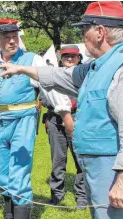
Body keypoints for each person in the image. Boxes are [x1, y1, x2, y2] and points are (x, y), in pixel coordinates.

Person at [0, 2, 123, 219]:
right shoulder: (98, 66)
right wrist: (21, 70)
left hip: (121, 171)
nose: (82, 35)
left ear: (100, 32)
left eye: (85, 29)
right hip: (104, 170)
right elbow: (60, 76)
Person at [0, 18, 70, 219]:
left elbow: (50, 85)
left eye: (15, 36)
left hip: (24, 121)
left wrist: (65, 113)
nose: (12, 41)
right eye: (7, 37)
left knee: (18, 173)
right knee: (1, 174)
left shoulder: (32, 59)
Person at [41, 45, 87, 209]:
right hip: (55, 120)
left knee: (80, 160)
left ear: (79, 58)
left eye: (73, 56)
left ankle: (82, 197)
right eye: (66, 56)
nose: (69, 59)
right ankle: (56, 195)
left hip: (78, 118)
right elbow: (44, 97)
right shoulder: (54, 75)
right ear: (61, 58)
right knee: (57, 160)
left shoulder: (85, 75)